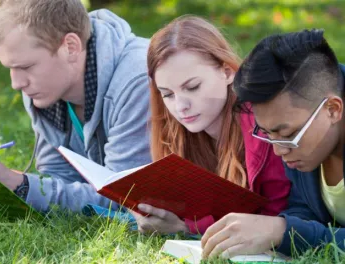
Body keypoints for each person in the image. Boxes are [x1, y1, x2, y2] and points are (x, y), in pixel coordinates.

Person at [130, 16, 291, 237]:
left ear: (227, 73)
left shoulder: (263, 125)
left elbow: (275, 216)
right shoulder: (175, 129)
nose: (180, 106)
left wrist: (188, 228)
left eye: (193, 87)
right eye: (167, 94)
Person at [0, 0, 151, 212]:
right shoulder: (45, 89)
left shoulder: (137, 81)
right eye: (11, 68)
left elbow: (125, 195)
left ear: (70, 47)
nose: (17, 83)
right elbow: (59, 177)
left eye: (26, 66)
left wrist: (14, 181)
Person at [202, 29, 345, 258]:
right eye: (268, 133)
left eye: (288, 134)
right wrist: (272, 228)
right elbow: (304, 207)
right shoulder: (305, 143)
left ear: (332, 109)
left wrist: (282, 230)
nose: (279, 150)